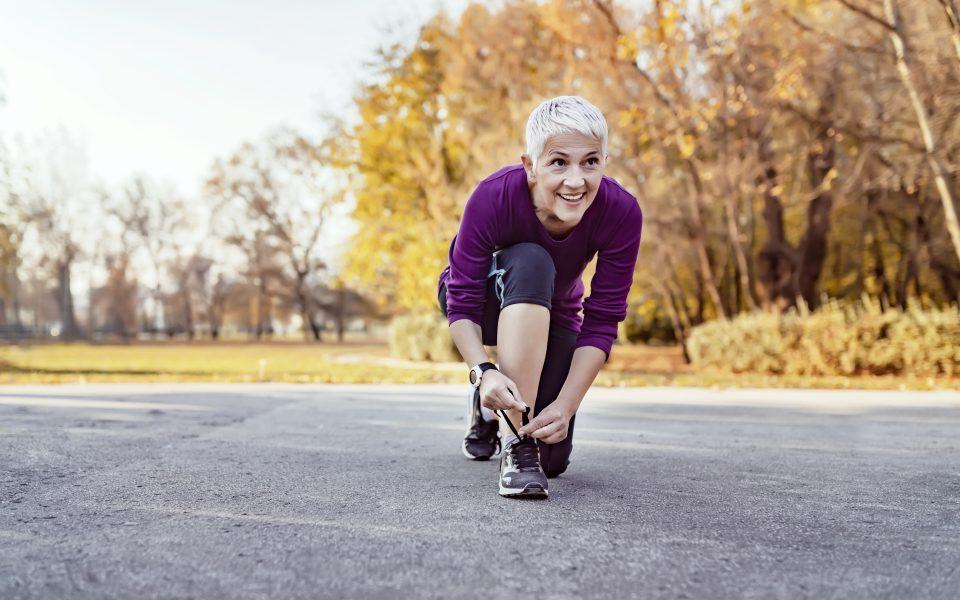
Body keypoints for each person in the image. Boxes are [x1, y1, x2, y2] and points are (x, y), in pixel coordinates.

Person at [436, 96, 643, 499]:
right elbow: (461, 300)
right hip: (483, 304)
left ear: (604, 161)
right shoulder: (493, 196)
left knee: (553, 458)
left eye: (590, 162)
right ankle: (514, 443)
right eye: (558, 162)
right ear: (530, 165)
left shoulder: (621, 212)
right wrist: (482, 370)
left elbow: (601, 320)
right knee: (534, 261)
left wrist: (566, 406)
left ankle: (491, 410)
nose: (575, 180)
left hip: (556, 314)